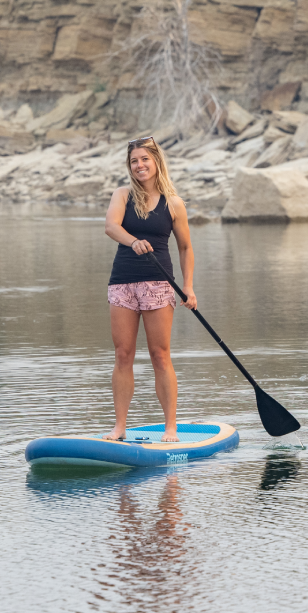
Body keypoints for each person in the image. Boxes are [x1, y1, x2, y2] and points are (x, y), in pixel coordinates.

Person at [102, 136, 196, 441]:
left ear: (156, 162)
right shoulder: (122, 195)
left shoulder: (173, 203)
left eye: (145, 159)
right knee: (123, 354)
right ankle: (119, 427)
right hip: (123, 282)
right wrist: (132, 241)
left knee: (160, 355)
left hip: (159, 285)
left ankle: (171, 427)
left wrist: (189, 288)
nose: (139, 165)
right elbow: (111, 227)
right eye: (134, 161)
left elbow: (185, 247)